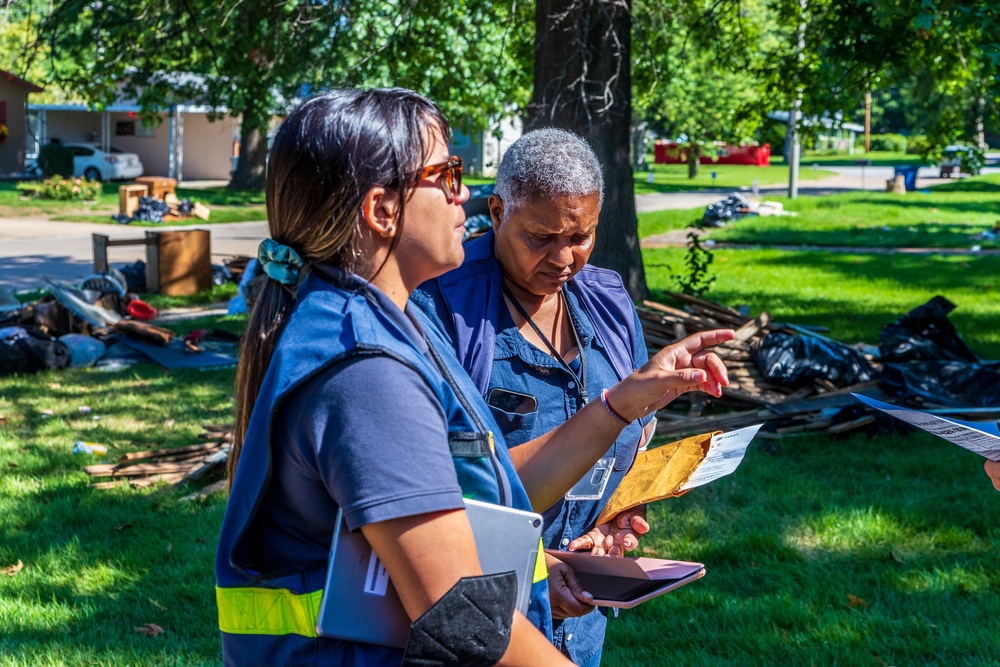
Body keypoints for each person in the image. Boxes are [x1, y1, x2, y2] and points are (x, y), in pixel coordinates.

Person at [215, 88, 734, 666]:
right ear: (383, 210)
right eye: (446, 172)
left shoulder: (386, 327)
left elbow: (486, 504)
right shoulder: (366, 371)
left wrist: (624, 406)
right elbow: (458, 610)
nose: (465, 191)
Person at [412, 128, 658, 666]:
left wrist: (614, 518)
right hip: (483, 617)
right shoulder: (441, 309)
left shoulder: (609, 304)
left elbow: (632, 438)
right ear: (498, 212)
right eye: (541, 237)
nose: (564, 258)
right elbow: (431, 488)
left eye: (582, 236)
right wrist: (534, 566)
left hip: (582, 621)